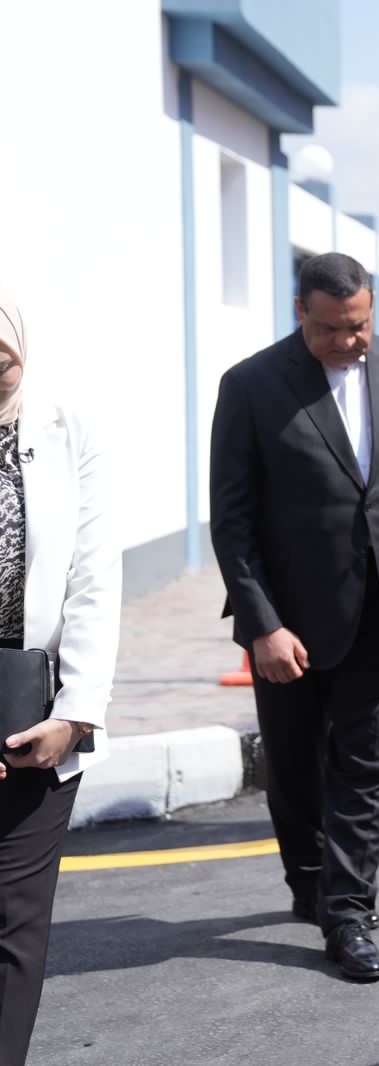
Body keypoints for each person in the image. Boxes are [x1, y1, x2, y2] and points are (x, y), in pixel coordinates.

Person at [209, 253, 379, 982]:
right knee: (294, 768)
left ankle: (349, 910)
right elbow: (232, 522)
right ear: (301, 311)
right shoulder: (251, 385)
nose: (348, 341)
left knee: (366, 767)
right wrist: (262, 625)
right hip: (289, 623)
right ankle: (310, 882)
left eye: (358, 326)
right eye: (331, 329)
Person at [0, 291, 120, 1062]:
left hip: (30, 708)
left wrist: (74, 714)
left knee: (14, 924)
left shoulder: (67, 428)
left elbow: (93, 579)